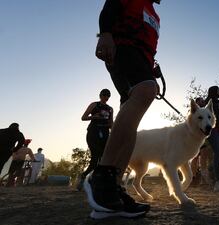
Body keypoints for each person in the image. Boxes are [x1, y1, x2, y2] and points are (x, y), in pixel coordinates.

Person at [84, 0, 161, 219]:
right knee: (147, 90)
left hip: (142, 60)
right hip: (123, 49)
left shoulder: (155, 15)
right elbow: (110, 7)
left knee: (132, 122)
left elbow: (147, 40)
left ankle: (112, 193)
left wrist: (152, 66)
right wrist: (105, 34)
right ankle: (101, 176)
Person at [76, 88, 113, 191]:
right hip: (93, 133)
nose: (106, 97)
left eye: (108, 96)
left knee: (103, 159)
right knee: (95, 158)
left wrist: (116, 128)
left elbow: (111, 123)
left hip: (105, 134)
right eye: (104, 95)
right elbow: (83, 117)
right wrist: (94, 117)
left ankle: (96, 181)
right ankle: (83, 177)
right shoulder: (94, 105)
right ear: (100, 95)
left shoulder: (110, 109)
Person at [190, 97, 212, 186]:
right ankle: (193, 178)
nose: (203, 102)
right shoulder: (194, 113)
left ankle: (203, 179)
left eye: (203, 101)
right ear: (197, 103)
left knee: (203, 158)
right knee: (194, 159)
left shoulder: (206, 112)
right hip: (194, 140)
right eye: (200, 101)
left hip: (203, 140)